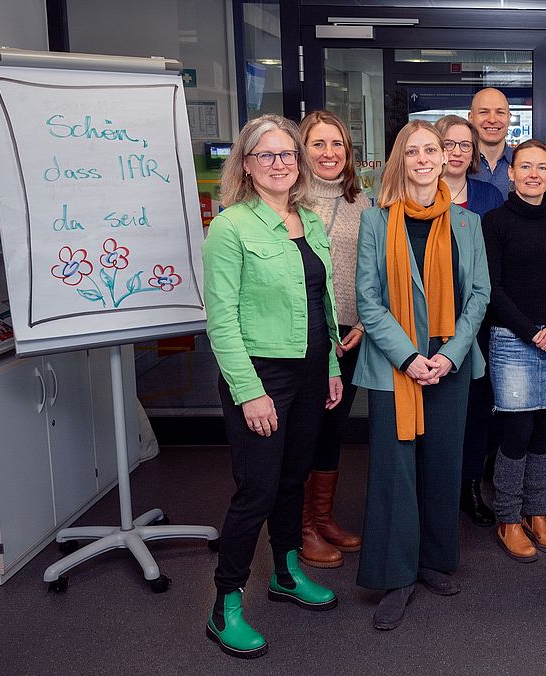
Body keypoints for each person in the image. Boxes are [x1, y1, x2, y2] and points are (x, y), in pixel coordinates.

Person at [202, 113, 344, 658]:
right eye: (268, 155)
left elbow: (320, 304)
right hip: (260, 373)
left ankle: (285, 572)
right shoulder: (231, 226)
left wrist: (329, 366)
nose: (280, 163)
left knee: (293, 480)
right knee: (256, 490)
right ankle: (225, 604)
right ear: (246, 164)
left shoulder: (308, 219)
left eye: (288, 154)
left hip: (311, 369)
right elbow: (221, 320)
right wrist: (250, 390)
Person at [352, 120, 491, 630]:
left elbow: (479, 295)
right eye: (414, 151)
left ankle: (434, 560)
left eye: (432, 150)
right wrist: (410, 357)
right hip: (396, 363)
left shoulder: (467, 223)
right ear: (400, 161)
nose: (425, 159)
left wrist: (450, 355)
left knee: (442, 463)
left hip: (449, 361)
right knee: (396, 467)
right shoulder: (375, 222)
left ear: (447, 158)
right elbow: (368, 302)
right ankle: (396, 574)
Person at [483, 139, 546, 561]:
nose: (534, 174)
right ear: (511, 172)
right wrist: (530, 331)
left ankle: (537, 512)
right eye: (526, 167)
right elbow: (493, 288)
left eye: (542, 167)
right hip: (512, 339)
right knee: (518, 432)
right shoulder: (494, 221)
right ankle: (508, 517)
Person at [294, 110, 366, 570]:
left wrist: (362, 324)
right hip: (303, 333)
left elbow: (373, 270)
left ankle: (323, 517)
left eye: (336, 144)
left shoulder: (363, 202)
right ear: (302, 149)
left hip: (351, 333)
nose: (329, 154)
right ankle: (300, 527)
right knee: (306, 428)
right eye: (318, 144)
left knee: (333, 427)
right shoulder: (288, 201)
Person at [435, 114, 504, 527]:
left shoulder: (488, 197)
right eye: (449, 144)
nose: (457, 152)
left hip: (478, 321)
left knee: (478, 408)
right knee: (437, 408)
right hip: (429, 323)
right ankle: (437, 487)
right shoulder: (418, 195)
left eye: (465, 145)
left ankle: (470, 485)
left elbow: (494, 265)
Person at [469, 87, 513, 199]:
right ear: (471, 117)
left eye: (500, 112)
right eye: (484, 112)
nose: (492, 120)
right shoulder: (459, 163)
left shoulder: (522, 163)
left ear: (509, 118)